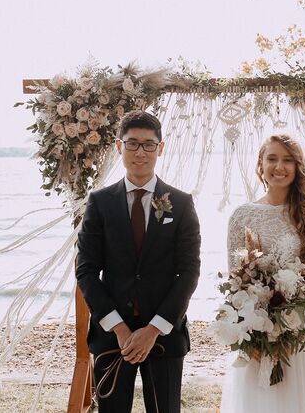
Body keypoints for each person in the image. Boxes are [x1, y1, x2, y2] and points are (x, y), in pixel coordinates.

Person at [75, 110, 201, 413]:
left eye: (148, 144)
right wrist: (119, 329)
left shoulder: (181, 203)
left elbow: (189, 272)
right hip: (111, 336)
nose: (140, 152)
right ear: (119, 146)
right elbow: (86, 270)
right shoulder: (99, 202)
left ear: (160, 148)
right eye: (132, 143)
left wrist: (154, 329)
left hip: (164, 334)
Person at [220, 134, 305, 413]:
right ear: (260, 164)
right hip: (256, 334)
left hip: (300, 336)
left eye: (288, 160)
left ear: (297, 167)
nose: (279, 167)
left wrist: (286, 329)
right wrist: (251, 329)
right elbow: (236, 281)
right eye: (272, 158)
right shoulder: (242, 215)